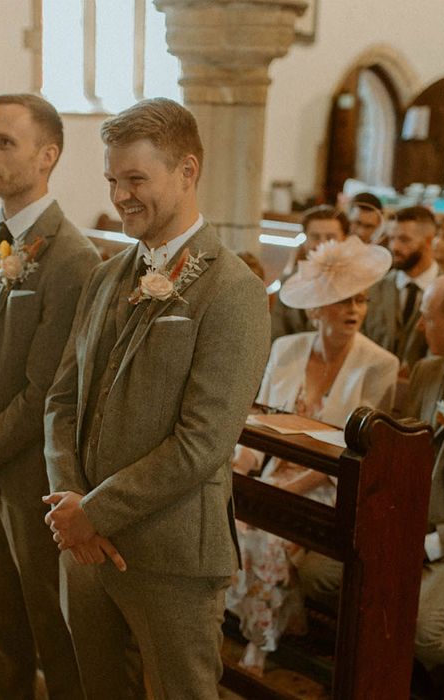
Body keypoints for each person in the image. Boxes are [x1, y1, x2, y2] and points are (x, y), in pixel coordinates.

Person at [42, 98, 271, 699]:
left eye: (137, 179)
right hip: (84, 544)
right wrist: (71, 503)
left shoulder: (233, 291)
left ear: (187, 171)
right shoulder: (106, 275)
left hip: (172, 556)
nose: (121, 197)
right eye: (113, 181)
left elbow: (202, 443)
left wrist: (96, 511)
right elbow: (62, 400)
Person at [0, 93, 100, 700]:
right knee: (3, 630)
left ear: (47, 156)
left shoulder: (73, 259)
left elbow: (44, 395)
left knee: (53, 635)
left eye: (4, 142)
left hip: (30, 484)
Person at [299, 272, 444, 688]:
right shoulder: (427, 372)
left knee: (421, 626)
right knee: (318, 574)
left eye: (426, 318)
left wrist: (435, 543)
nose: (420, 326)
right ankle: (380, 666)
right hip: (408, 528)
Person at [228, 235, 399, 675]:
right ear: (317, 308)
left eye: (360, 300)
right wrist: (241, 479)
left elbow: (359, 457)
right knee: (223, 514)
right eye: (342, 300)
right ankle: (227, 618)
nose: (354, 311)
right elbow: (256, 427)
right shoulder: (286, 351)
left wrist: (280, 490)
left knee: (266, 537)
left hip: (331, 488)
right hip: (274, 472)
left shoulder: (379, 364)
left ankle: (260, 641)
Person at [362, 205, 439, 374]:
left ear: (428, 241)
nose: (394, 247)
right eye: (391, 238)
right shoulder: (374, 289)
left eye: (404, 239)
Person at [270, 206, 349, 340]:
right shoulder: (289, 281)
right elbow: (277, 333)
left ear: (344, 239)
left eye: (330, 237)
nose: (322, 244)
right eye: (315, 237)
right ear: (305, 240)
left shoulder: (358, 279)